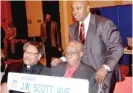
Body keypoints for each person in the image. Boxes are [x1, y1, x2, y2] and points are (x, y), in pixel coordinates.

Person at [51, 1, 123, 93]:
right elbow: (75, 51)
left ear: (87, 8)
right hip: (84, 76)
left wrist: (105, 67)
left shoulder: (104, 24)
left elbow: (117, 48)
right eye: (72, 9)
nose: (74, 12)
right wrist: (62, 59)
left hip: (104, 76)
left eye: (78, 8)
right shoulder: (72, 28)